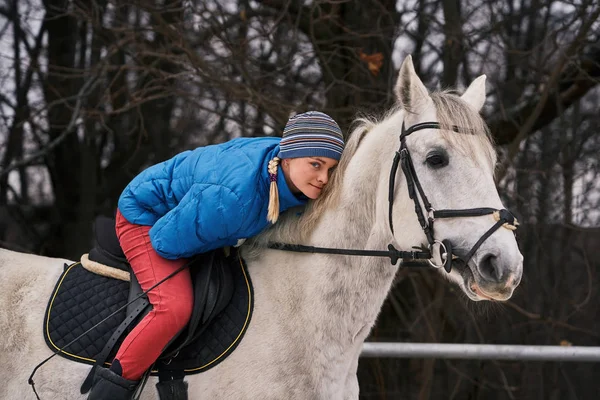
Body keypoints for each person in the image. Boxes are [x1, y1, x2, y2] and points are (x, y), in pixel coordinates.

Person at [87, 111, 345, 400]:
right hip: (144, 217)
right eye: (316, 164)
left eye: (331, 169)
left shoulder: (280, 167)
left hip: (201, 212)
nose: (323, 178)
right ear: (287, 158)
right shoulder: (234, 201)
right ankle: (108, 390)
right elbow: (165, 242)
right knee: (173, 308)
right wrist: (229, 238)